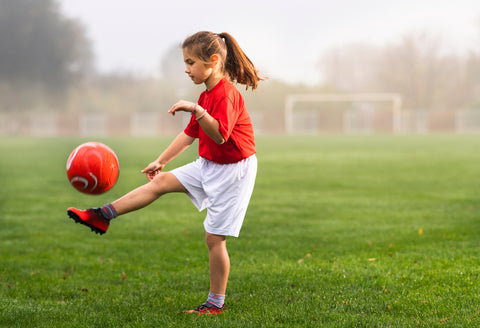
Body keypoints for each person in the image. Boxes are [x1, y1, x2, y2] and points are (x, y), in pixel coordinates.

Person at [67, 31, 264, 316]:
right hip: (209, 163)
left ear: (212, 61)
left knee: (214, 239)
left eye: (190, 62)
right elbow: (189, 135)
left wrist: (196, 110)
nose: (186, 69)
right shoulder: (205, 94)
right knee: (159, 182)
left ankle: (214, 305)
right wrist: (161, 160)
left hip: (234, 172)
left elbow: (220, 135)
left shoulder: (225, 94)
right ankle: (103, 215)